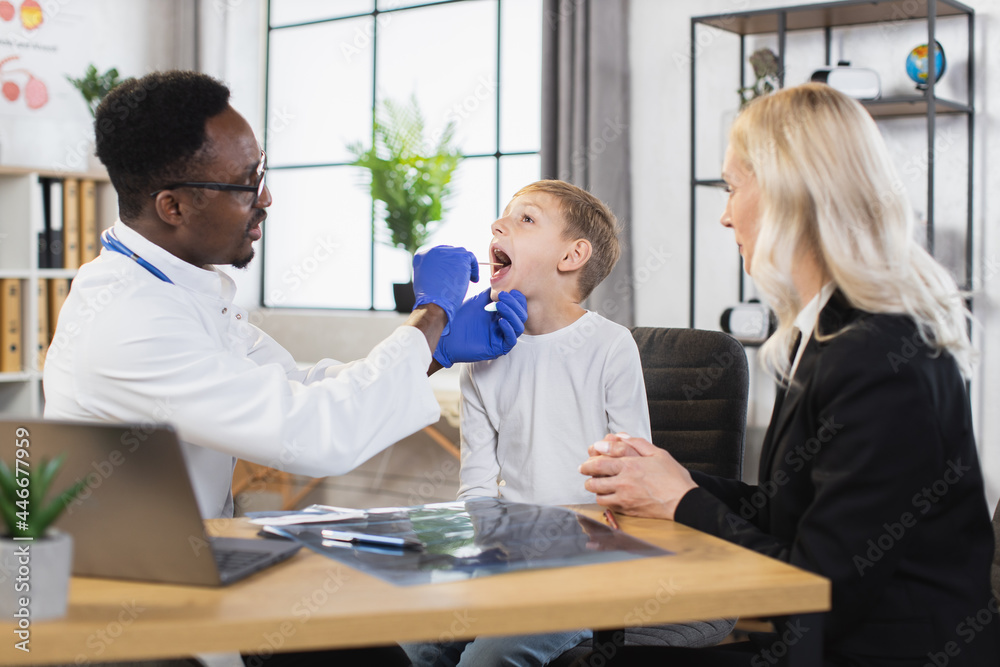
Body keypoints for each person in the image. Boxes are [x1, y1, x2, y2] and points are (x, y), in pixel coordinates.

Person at [41, 70, 527, 666]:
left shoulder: (181, 288)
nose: (266, 199)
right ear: (173, 205)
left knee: (371, 642)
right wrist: (431, 315)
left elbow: (300, 387)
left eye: (262, 171)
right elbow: (312, 434)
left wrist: (436, 348)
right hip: (135, 618)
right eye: (247, 184)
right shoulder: (128, 318)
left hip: (196, 564)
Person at [578, 83, 1000, 666]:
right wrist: (672, 478)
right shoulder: (826, 333)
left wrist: (681, 502)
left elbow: (820, 585)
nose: (725, 216)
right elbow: (792, 516)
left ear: (788, 194)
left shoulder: (877, 358)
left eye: (732, 188)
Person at [405, 180, 733, 667]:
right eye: (503, 217)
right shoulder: (481, 355)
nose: (499, 225)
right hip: (506, 560)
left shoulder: (610, 347)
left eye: (527, 219)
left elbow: (634, 486)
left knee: (487, 658)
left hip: (590, 564)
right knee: (413, 638)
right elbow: (475, 488)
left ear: (573, 255)